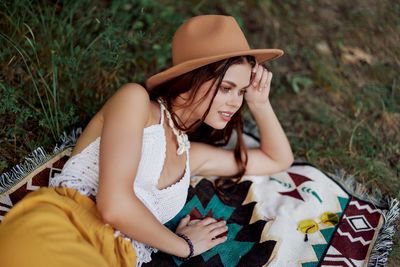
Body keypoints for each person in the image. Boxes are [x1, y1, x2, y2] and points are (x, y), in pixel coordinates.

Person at [0, 15, 293, 266]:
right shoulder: (136, 102)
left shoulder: (193, 156)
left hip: (117, 258)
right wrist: (184, 246)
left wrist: (260, 103)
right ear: (192, 78)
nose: (235, 102)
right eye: (227, 88)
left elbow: (278, 159)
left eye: (241, 91)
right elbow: (113, 205)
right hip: (62, 228)